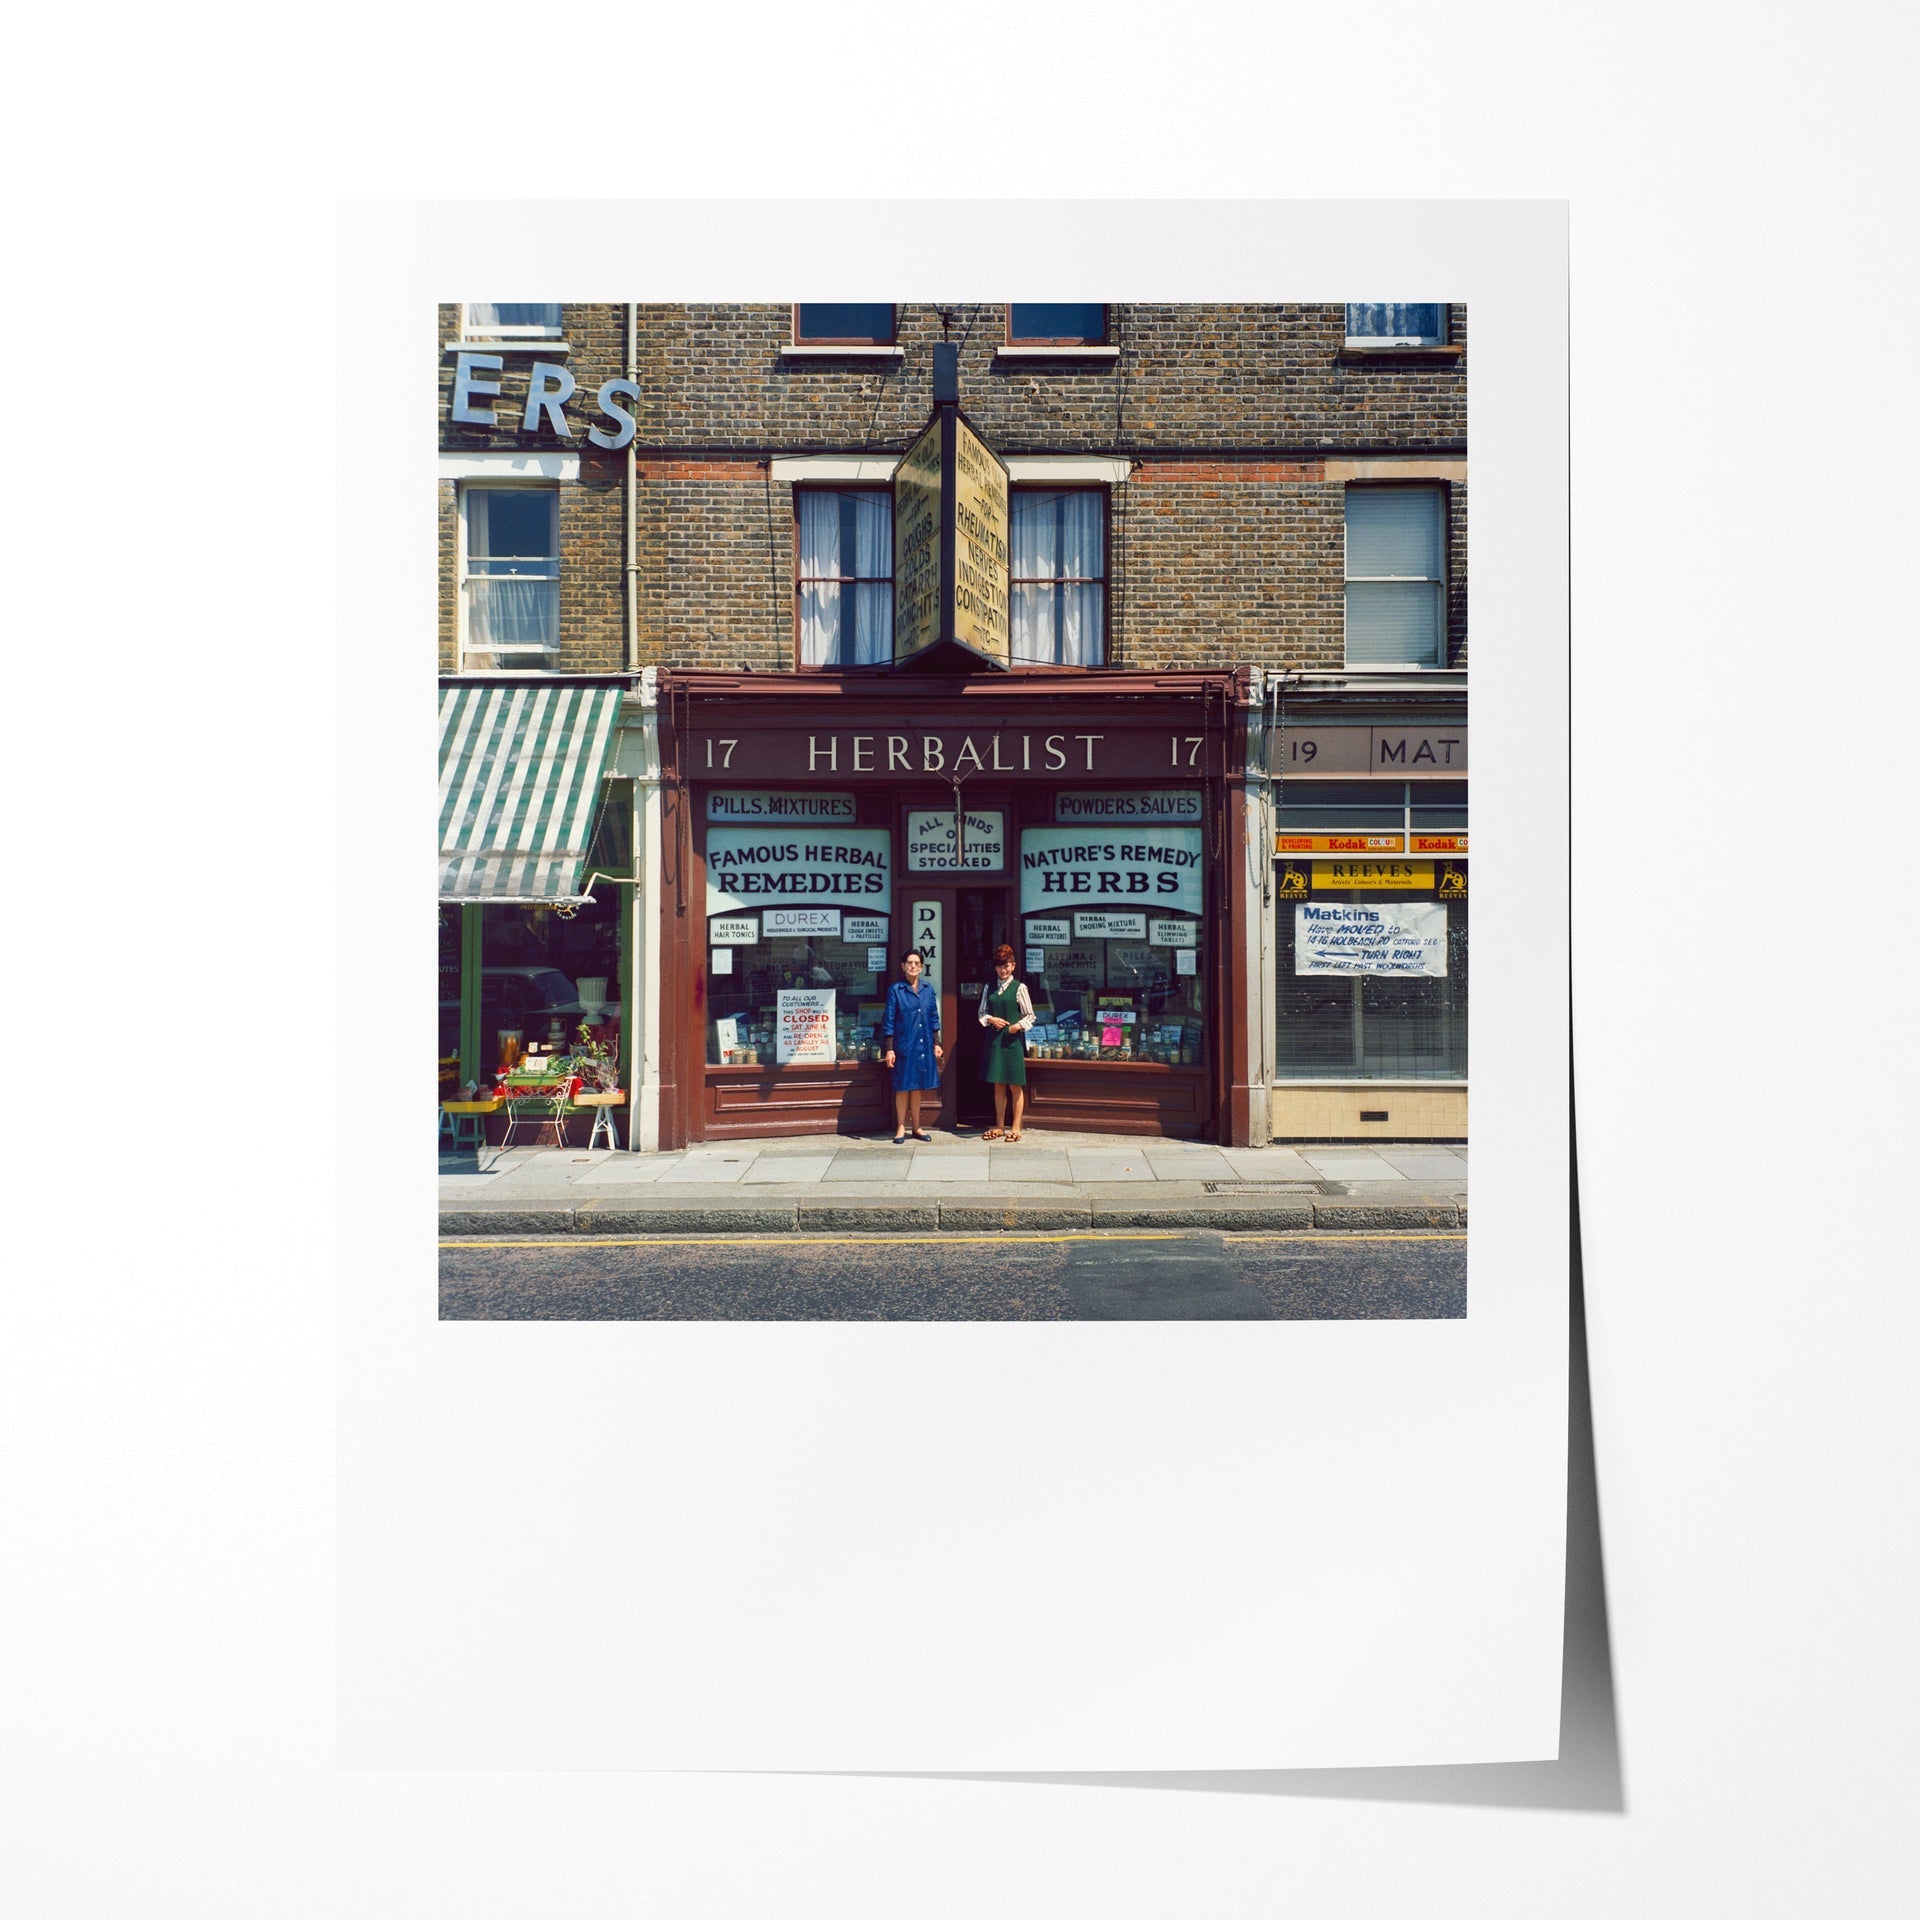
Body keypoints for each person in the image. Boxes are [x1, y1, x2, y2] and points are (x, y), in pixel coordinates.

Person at [882, 948, 942, 1143]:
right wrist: (889, 1048)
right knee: (902, 1086)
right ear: (903, 966)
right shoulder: (896, 990)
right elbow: (889, 1019)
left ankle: (916, 1127)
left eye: (917, 963)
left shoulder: (928, 989)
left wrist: (937, 1042)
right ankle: (901, 1127)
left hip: (923, 1044)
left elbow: (933, 1017)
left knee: (917, 1087)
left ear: (922, 967)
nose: (913, 966)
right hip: (904, 1044)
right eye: (910, 963)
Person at [977, 944, 1035, 1142]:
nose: (1004, 969)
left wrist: (1016, 1026)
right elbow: (982, 1013)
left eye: (1007, 965)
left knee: (1015, 1085)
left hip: (1012, 1041)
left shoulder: (1020, 988)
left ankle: (1016, 1127)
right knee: (998, 1084)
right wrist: (991, 1019)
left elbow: (1030, 1015)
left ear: (1013, 966)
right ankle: (1000, 1125)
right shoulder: (989, 987)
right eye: (1000, 966)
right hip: (994, 1040)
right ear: (995, 968)